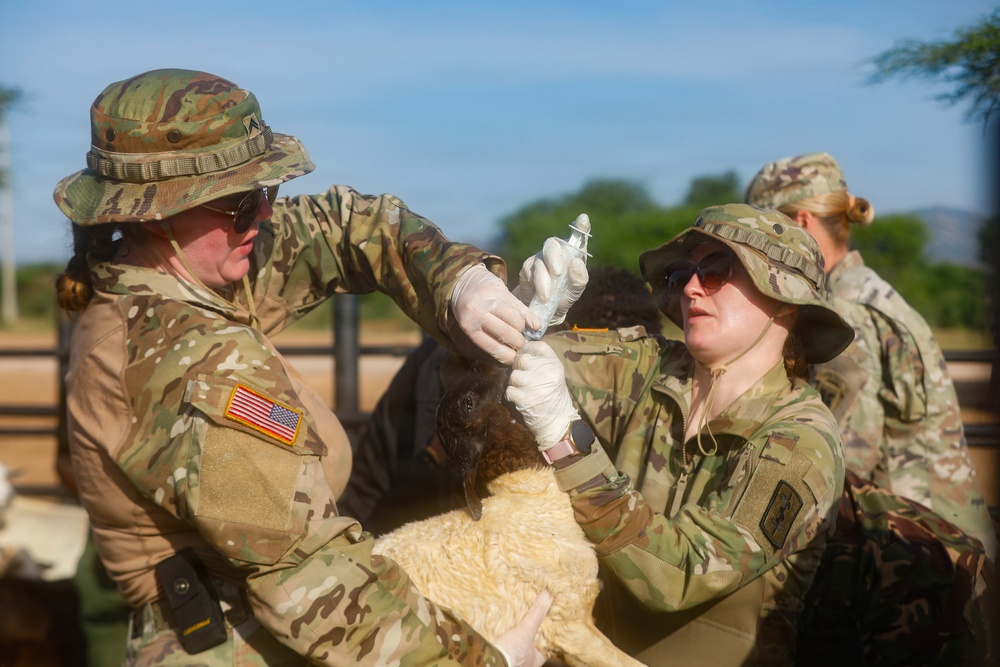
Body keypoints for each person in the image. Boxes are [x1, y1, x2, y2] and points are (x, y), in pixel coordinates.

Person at [51, 67, 585, 666]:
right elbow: (310, 585)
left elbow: (347, 228)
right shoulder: (191, 362)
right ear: (155, 212)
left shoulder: (191, 264)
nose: (264, 217)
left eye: (266, 193)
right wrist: (481, 660)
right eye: (240, 202)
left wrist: (459, 283)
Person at [506, 203, 856, 665]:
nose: (691, 287)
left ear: (785, 297)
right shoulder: (649, 366)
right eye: (679, 275)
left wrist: (565, 442)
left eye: (716, 270)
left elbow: (680, 575)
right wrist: (528, 317)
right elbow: (494, 380)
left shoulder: (801, 440)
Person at [745, 152, 998, 562]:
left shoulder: (843, 313)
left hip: (922, 556)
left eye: (766, 230)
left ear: (802, 224)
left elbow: (840, 458)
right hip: (936, 546)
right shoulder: (862, 294)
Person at [337, 265, 664, 535]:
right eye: (587, 360)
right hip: (409, 532)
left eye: (624, 366)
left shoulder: (652, 399)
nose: (604, 384)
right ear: (559, 335)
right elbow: (379, 493)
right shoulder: (463, 379)